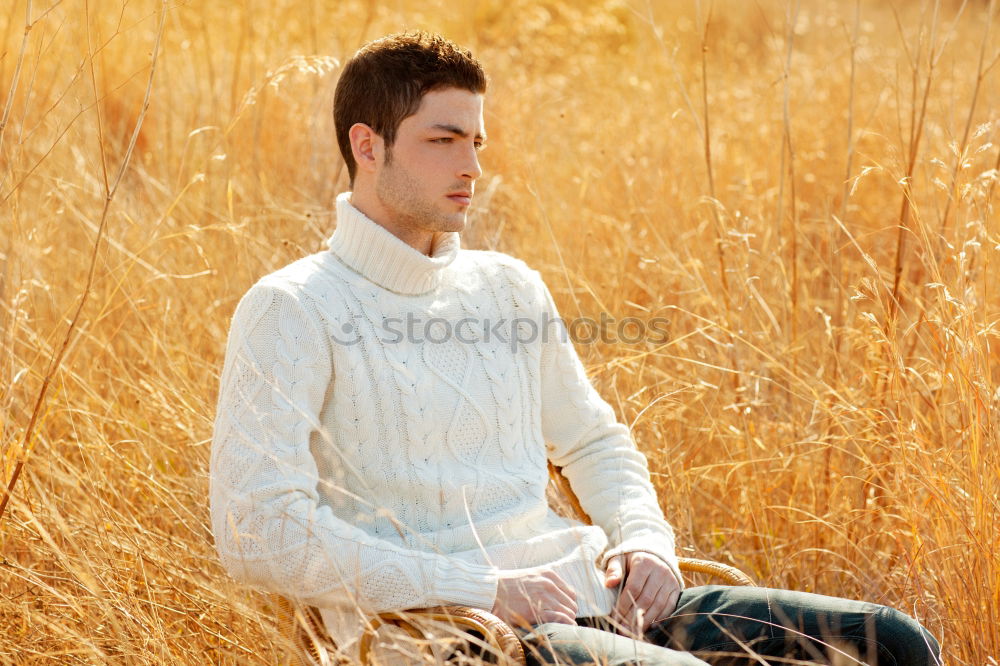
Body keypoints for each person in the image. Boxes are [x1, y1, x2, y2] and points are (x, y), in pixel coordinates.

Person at [209, 31, 942, 665]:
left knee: (893, 644)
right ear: (366, 146)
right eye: (443, 140)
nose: (472, 166)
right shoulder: (293, 308)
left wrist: (647, 542)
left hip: (601, 594)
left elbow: (593, 442)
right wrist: (486, 588)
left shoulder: (507, 288)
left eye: (477, 141)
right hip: (454, 631)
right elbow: (258, 534)